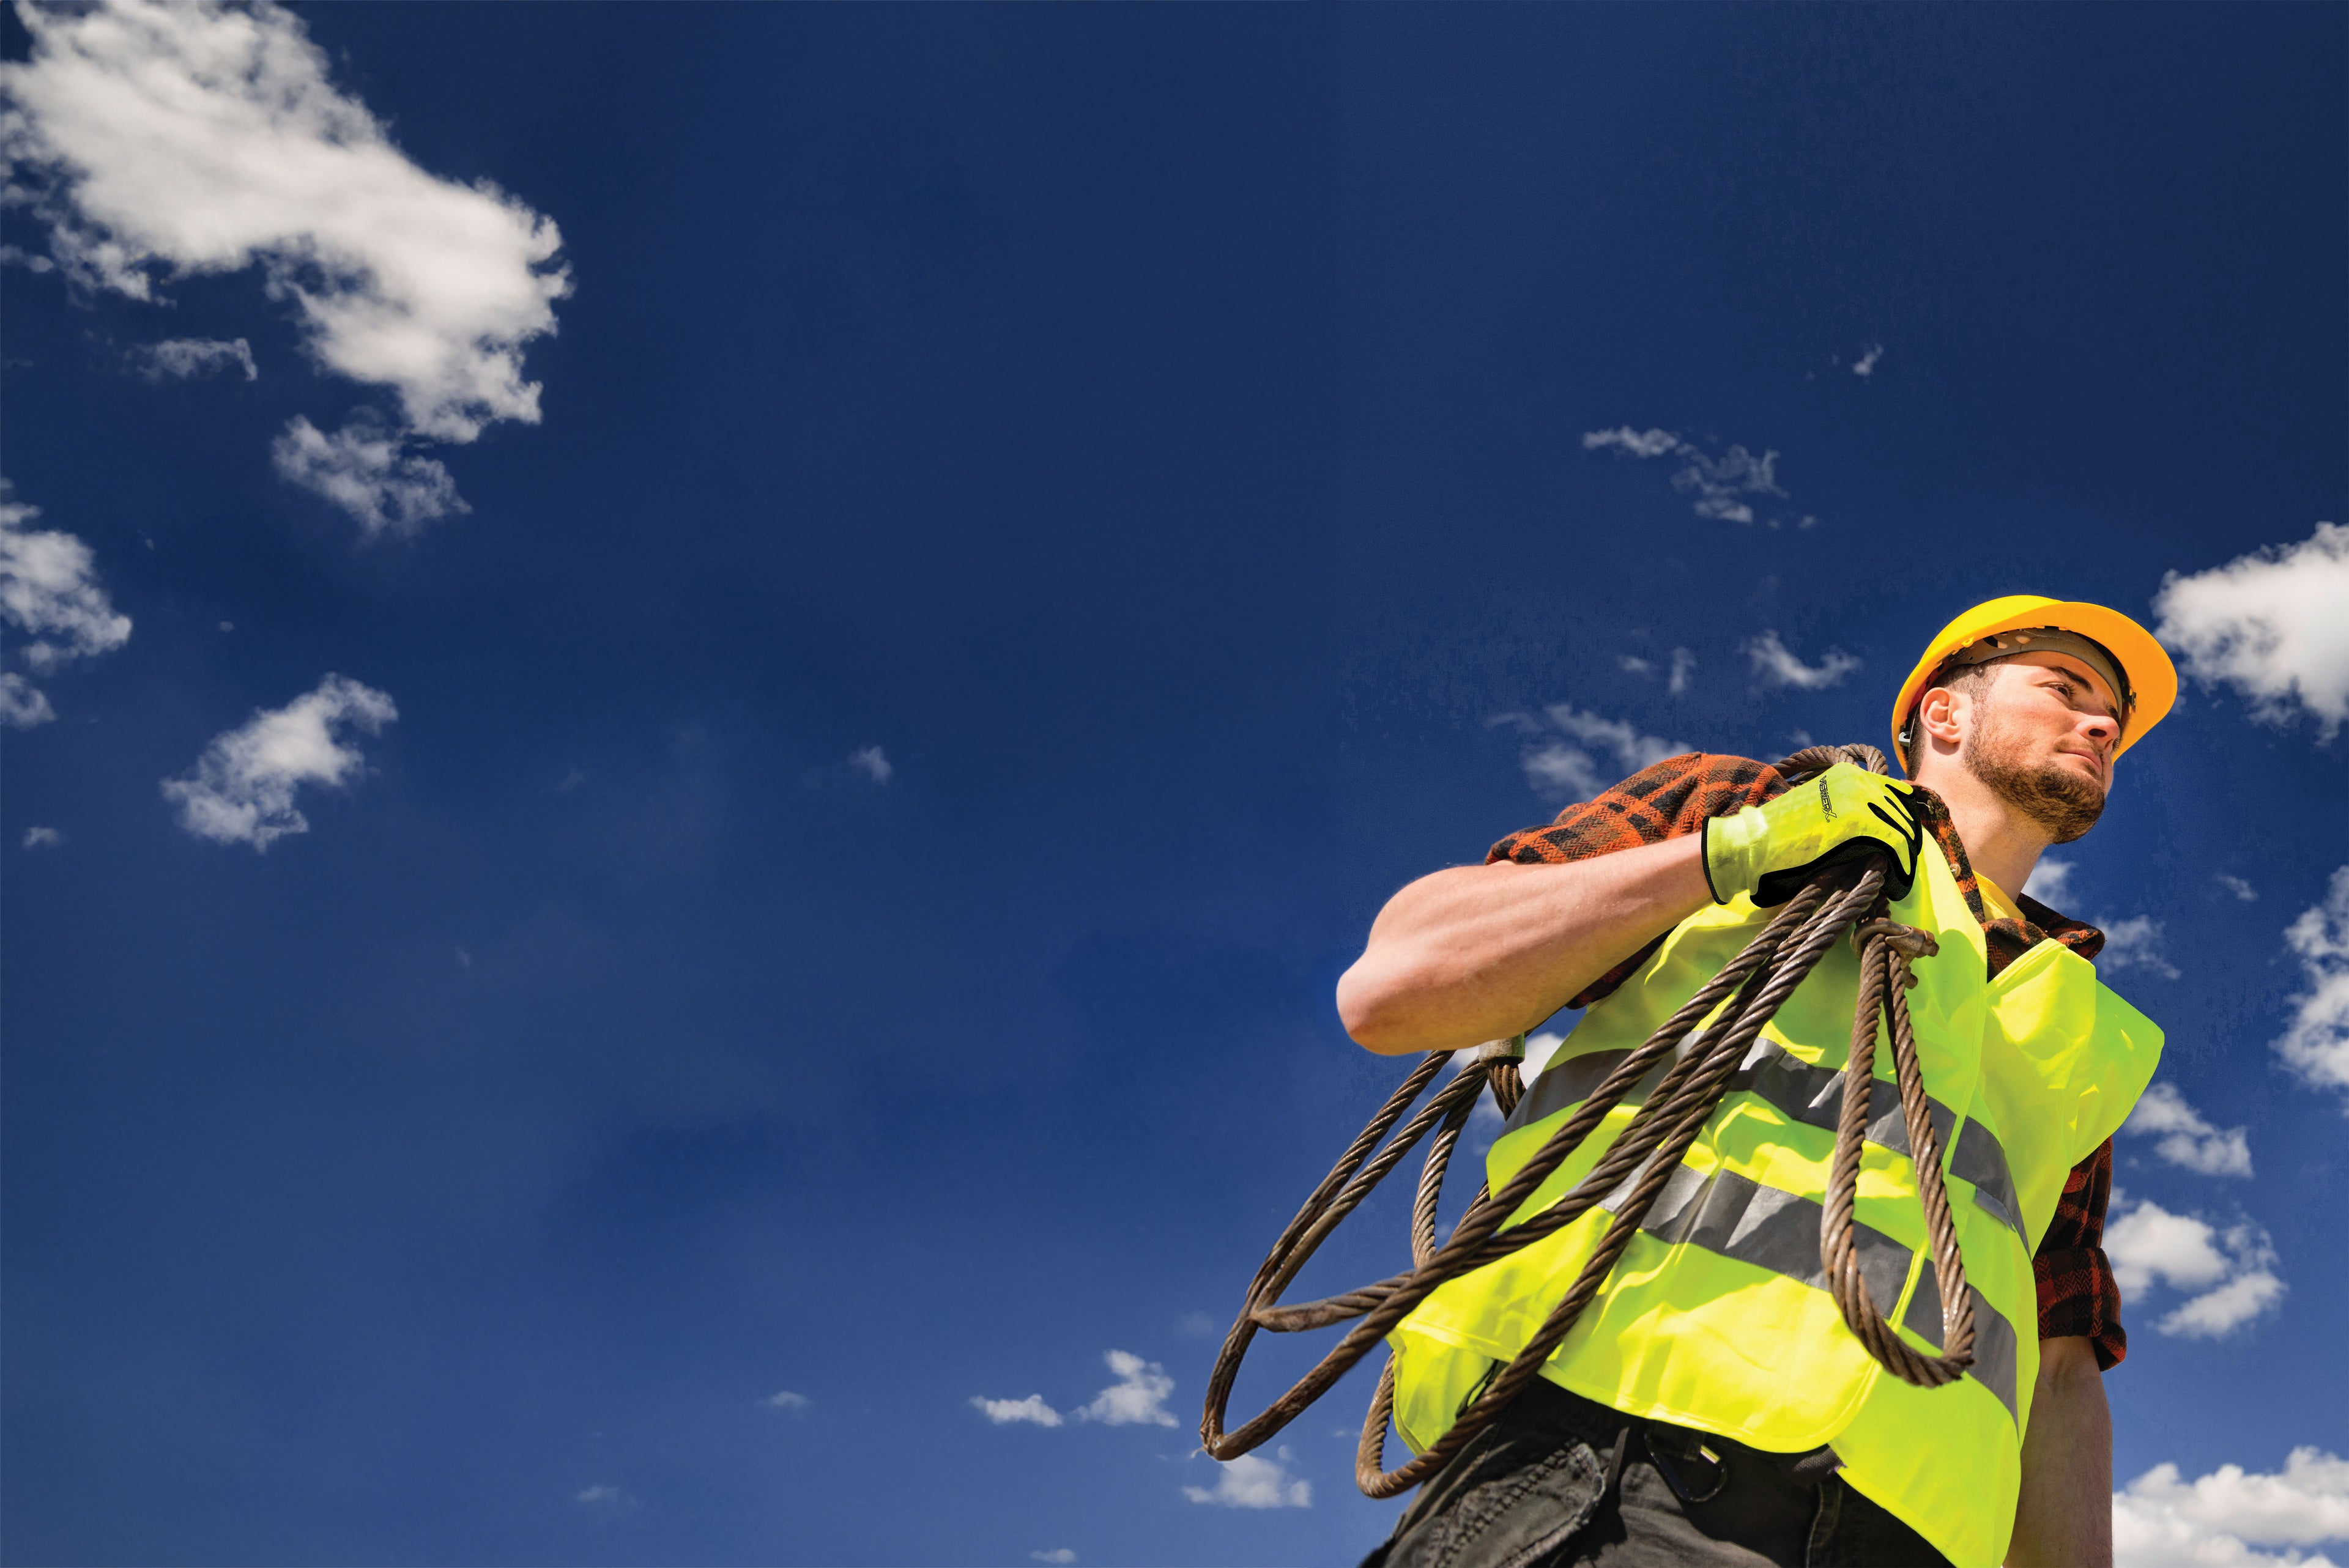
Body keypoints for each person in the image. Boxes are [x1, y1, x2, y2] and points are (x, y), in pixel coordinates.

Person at [1337, 598, 2175, 1568]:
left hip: (1912, 1539)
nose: (2104, 725)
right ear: (1945, 715)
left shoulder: (2070, 1014)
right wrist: (1740, 852)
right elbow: (1396, 987)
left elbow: (2060, 1369)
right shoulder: (1749, 812)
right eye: (2065, 690)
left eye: (2112, 714)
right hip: (1603, 1467)